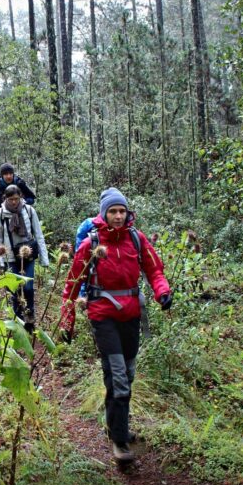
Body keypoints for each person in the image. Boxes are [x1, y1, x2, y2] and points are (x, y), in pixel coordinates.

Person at [61, 188, 172, 463]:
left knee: (127, 374)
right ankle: (120, 443)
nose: (118, 216)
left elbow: (154, 269)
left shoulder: (136, 238)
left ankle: (116, 427)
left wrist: (162, 292)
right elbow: (71, 286)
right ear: (104, 214)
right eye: (113, 211)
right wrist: (68, 322)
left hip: (131, 315)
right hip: (103, 316)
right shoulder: (91, 244)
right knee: (119, 377)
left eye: (122, 211)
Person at [0, 185, 49, 332]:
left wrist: (44, 259)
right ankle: (18, 321)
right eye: (10, 199)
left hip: (27, 254)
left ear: (21, 197)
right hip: (10, 256)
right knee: (15, 290)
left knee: (28, 287)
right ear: (6, 198)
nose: (13, 202)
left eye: (16, 199)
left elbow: (38, 234)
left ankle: (30, 316)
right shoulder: (0, 214)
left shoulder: (29, 211)